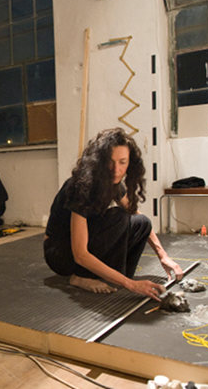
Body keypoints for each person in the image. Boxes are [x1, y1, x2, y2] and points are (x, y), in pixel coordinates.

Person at [44, 128, 183, 301]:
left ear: (130, 162)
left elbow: (135, 213)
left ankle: (115, 276)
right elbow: (80, 254)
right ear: (99, 162)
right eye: (110, 162)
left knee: (141, 222)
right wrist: (131, 285)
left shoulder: (114, 183)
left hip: (82, 245)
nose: (116, 169)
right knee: (118, 217)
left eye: (122, 162)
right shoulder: (82, 186)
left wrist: (163, 256)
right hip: (59, 252)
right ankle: (79, 277)